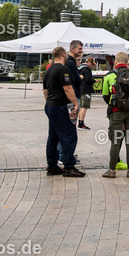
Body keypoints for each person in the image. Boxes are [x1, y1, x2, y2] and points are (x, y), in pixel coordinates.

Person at [43, 46, 84, 177]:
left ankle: (52, 165)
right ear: (64, 54)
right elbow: (68, 89)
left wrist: (50, 102)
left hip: (50, 105)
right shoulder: (63, 69)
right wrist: (76, 104)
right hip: (61, 106)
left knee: (53, 137)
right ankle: (69, 166)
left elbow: (45, 91)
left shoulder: (48, 71)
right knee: (69, 135)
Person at [101, 52, 129, 178]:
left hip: (116, 112)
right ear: (127, 61)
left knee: (115, 141)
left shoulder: (109, 76)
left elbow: (105, 96)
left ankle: (112, 171)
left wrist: (114, 104)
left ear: (116, 62)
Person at [77, 57, 95, 130]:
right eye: (92, 64)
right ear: (89, 62)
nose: (92, 66)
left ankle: (80, 122)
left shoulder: (80, 68)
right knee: (85, 107)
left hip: (80, 89)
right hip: (86, 90)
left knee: (81, 107)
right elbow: (88, 79)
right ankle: (81, 123)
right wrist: (93, 80)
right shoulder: (86, 69)